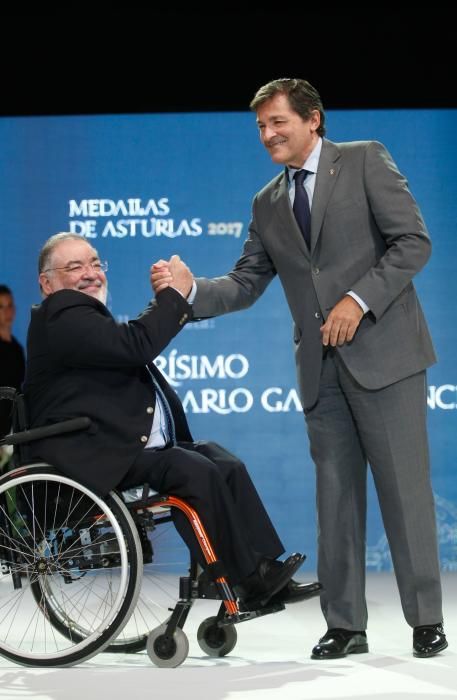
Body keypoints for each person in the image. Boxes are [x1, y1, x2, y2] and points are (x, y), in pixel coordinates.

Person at [151, 78, 447, 658]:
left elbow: (412, 241)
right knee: (334, 499)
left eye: (277, 122)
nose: (267, 135)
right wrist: (191, 292)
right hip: (320, 369)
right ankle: (345, 625)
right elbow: (245, 283)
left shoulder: (363, 161)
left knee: (405, 495)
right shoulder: (267, 202)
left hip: (387, 355)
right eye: (260, 127)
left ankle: (426, 621)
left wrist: (357, 300)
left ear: (313, 119)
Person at [23, 231, 320, 611]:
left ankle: (262, 571)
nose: (91, 273)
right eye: (75, 266)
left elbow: (128, 341)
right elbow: (136, 345)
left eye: (96, 263)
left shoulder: (77, 319)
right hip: (87, 453)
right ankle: (248, 579)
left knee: (221, 461)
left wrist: (167, 300)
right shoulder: (63, 311)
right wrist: (173, 296)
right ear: (47, 283)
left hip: (110, 444)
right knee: (191, 469)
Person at [0, 285, 26, 467]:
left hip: (10, 431)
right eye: (1, 306)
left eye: (10, 305)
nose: (7, 311)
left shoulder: (17, 349)